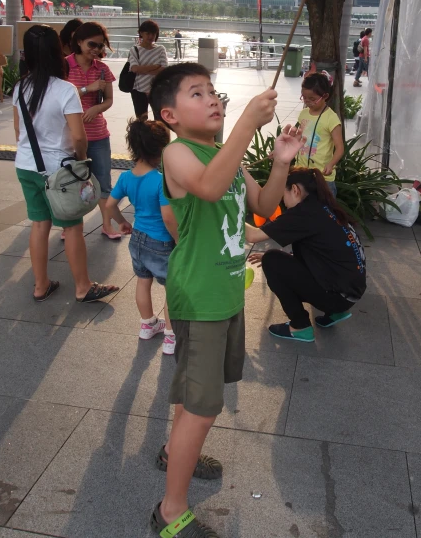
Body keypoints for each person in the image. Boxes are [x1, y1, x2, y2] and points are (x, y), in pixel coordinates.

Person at [148, 63, 304, 538]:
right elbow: (210, 187)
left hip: (224, 291)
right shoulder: (177, 154)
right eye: (198, 93)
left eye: (214, 91)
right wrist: (246, 124)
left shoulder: (223, 153)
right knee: (203, 405)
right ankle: (170, 511)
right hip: (199, 296)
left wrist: (280, 162)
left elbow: (260, 204)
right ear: (170, 114)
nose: (213, 98)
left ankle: (176, 453)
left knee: (195, 391)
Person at [12, 25, 119, 303]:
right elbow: (78, 137)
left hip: (26, 166)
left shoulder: (20, 87)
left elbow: (18, 133)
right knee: (72, 227)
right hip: (59, 170)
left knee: (38, 224)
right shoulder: (65, 89)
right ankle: (83, 287)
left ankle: (40, 285)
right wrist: (82, 161)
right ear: (58, 51)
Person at [246, 167, 366, 342]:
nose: (282, 202)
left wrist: (227, 213)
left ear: (295, 190)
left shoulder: (303, 213)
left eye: (282, 195)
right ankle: (336, 313)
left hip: (336, 295)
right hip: (349, 293)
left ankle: (300, 326)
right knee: (274, 258)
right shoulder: (323, 207)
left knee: (272, 260)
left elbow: (253, 236)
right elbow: (321, 255)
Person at [105, 118, 178, 355]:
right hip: (161, 242)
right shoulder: (159, 181)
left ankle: (147, 325)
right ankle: (170, 336)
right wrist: (180, 240)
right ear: (161, 150)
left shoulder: (126, 177)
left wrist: (122, 222)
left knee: (143, 281)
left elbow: (109, 205)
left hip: (137, 240)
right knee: (172, 288)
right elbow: (168, 218)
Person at [66, 22, 124, 238]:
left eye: (100, 46)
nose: (96, 50)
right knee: (71, 182)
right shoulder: (63, 67)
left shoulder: (102, 69)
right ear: (79, 41)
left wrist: (97, 108)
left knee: (103, 182)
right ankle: (70, 227)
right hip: (70, 135)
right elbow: (57, 99)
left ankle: (107, 225)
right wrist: (85, 90)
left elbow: (108, 100)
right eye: (92, 44)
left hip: (98, 134)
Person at [295, 72, 344, 196]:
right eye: (304, 97)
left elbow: (340, 148)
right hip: (301, 172)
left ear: (325, 96)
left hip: (322, 177)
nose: (307, 101)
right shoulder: (303, 114)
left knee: (323, 210)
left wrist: (331, 164)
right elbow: (297, 137)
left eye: (312, 99)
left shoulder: (331, 119)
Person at [129, 20, 168, 118]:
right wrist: (154, 67)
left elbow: (164, 69)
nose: (151, 36)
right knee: (141, 119)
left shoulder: (160, 49)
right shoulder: (134, 50)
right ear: (141, 33)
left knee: (160, 118)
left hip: (156, 89)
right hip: (138, 90)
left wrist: (142, 69)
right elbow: (134, 69)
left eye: (153, 34)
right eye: (148, 33)